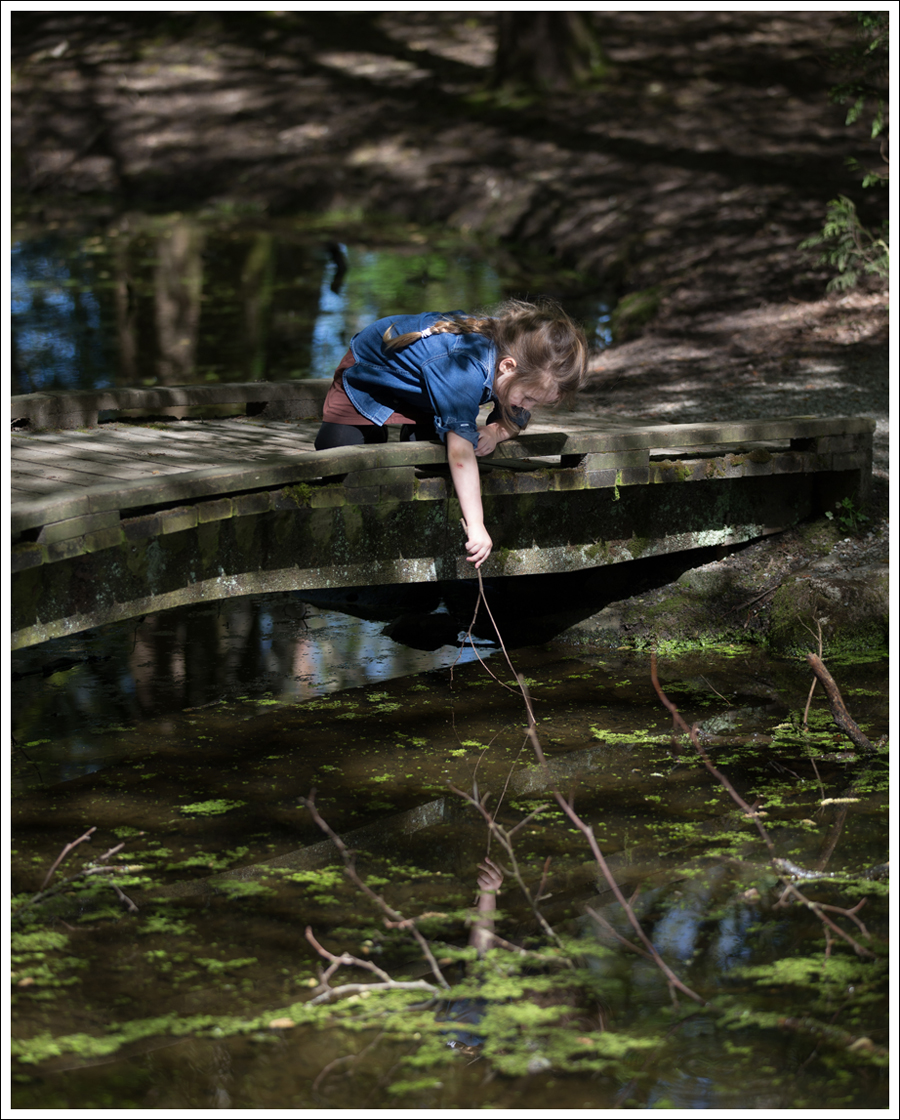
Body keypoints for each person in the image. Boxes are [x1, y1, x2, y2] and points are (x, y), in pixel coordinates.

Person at [314, 300, 588, 568]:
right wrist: (477, 524)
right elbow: (460, 452)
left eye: (535, 403)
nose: (527, 408)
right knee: (338, 456)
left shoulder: (519, 359)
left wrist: (495, 431)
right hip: (372, 376)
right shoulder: (464, 367)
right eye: (529, 398)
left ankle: (416, 425)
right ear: (507, 367)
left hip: (426, 389)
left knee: (429, 460)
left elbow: (514, 416)